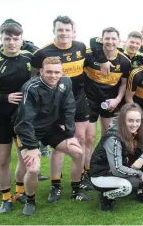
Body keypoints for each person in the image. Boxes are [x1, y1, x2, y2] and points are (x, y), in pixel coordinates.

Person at [31, 16, 106, 203]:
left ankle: (78, 182)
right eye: (60, 30)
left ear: (73, 31)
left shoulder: (81, 47)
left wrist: (104, 60)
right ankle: (55, 185)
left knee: (79, 140)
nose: (63, 33)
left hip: (79, 101)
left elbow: (97, 45)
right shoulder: (43, 53)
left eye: (67, 30)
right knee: (59, 145)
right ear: (54, 31)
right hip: (55, 104)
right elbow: (33, 79)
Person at [14, 57, 91, 216]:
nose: (53, 75)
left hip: (50, 128)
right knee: (34, 168)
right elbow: (24, 121)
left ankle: (75, 191)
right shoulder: (30, 88)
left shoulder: (66, 82)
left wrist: (70, 135)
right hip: (28, 131)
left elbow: (69, 108)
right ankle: (30, 201)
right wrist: (32, 147)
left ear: (62, 72)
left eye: (57, 72)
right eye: (49, 72)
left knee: (78, 152)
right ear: (41, 71)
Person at [83, 27, 132, 190]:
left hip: (110, 102)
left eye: (113, 39)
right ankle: (87, 173)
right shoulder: (90, 54)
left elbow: (124, 84)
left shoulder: (124, 61)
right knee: (89, 138)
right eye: (107, 38)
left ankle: (103, 168)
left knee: (108, 137)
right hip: (89, 100)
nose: (110, 42)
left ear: (119, 41)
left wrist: (118, 99)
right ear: (101, 39)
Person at [0, 23, 32, 213]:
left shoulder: (28, 58)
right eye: (7, 38)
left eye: (15, 39)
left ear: (21, 39)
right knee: (2, 160)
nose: (11, 42)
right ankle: (6, 198)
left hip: (22, 119)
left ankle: (20, 191)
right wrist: (4, 98)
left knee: (24, 159)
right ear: (1, 39)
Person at [89, 103, 143, 211]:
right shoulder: (113, 138)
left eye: (137, 121)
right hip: (101, 175)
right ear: (123, 120)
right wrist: (138, 173)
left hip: (116, 168)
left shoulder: (134, 131)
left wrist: (141, 159)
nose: (134, 124)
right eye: (130, 120)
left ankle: (141, 191)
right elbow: (117, 169)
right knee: (128, 186)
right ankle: (105, 196)